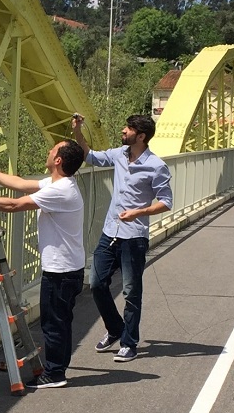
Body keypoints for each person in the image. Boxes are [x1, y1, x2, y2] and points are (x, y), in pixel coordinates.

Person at [0, 140, 86, 389]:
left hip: (62, 271)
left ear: (58, 160)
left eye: (53, 150)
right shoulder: (59, 183)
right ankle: (55, 370)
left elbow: (14, 205)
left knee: (55, 323)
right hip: (67, 267)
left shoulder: (59, 190)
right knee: (57, 321)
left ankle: (55, 374)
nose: (48, 151)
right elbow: (19, 184)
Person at [71, 113, 172, 363]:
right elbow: (90, 156)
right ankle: (115, 328)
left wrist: (140, 211)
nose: (123, 130)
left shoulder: (156, 166)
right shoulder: (118, 154)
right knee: (96, 283)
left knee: (131, 292)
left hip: (134, 237)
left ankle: (129, 342)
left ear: (141, 136)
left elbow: (166, 202)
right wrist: (78, 132)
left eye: (128, 129)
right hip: (110, 232)